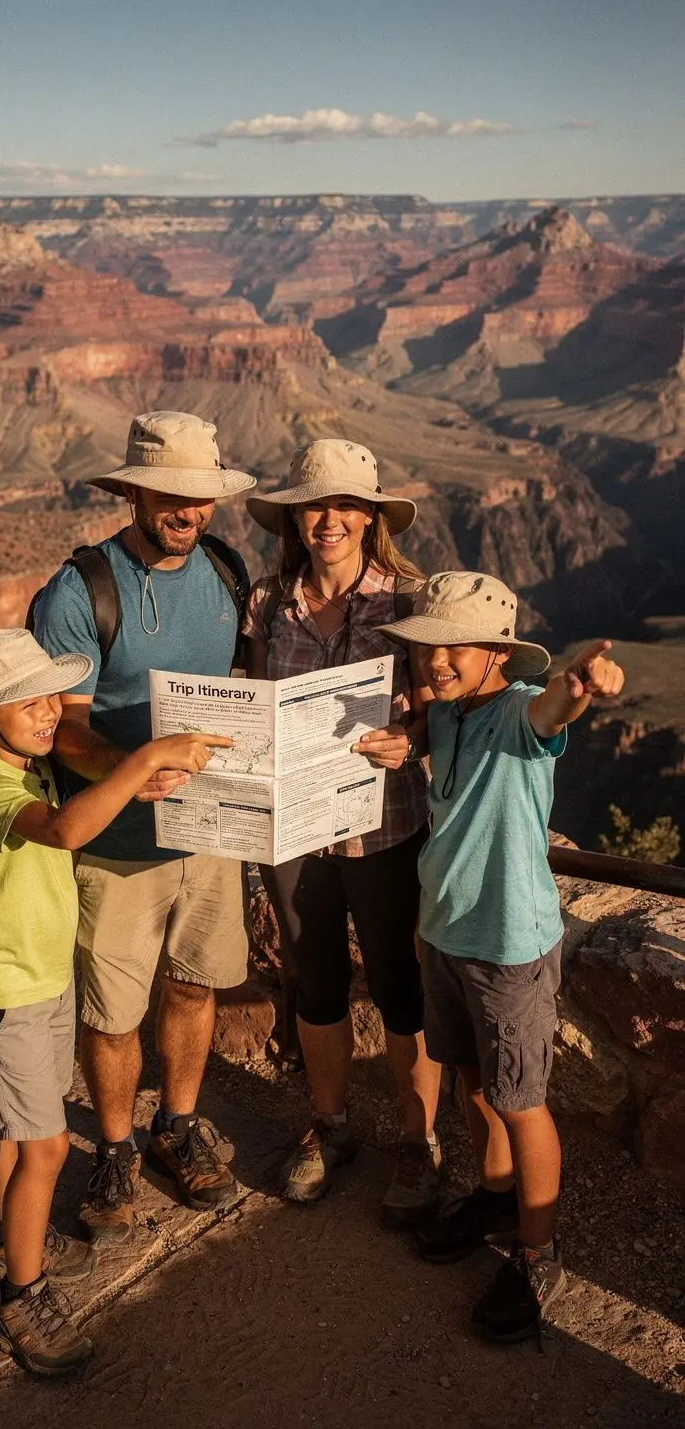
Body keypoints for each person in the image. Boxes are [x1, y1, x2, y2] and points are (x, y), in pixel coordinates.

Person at [0, 627, 230, 1375]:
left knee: (12, 1134)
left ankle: (10, 1239)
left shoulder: (29, 768)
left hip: (36, 980)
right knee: (47, 1147)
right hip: (4, 991)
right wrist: (145, 758)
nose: (47, 714)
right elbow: (66, 830)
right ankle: (22, 1294)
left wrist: (135, 780)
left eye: (49, 698)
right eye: (25, 703)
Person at [379, 571, 625, 1342]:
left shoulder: (520, 712)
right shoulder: (446, 713)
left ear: (498, 653)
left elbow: (555, 709)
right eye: (428, 647)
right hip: (445, 933)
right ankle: (493, 1196)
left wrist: (581, 687)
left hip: (508, 947)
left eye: (457, 647)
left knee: (521, 1102)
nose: (437, 660)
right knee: (473, 1082)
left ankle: (538, 1252)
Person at [32, 410, 257, 1239]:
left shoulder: (226, 571)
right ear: (132, 493)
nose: (186, 510)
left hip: (212, 829)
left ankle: (178, 1125)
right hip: (119, 847)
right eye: (168, 494)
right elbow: (62, 730)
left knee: (195, 984)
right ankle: (116, 1147)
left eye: (199, 495)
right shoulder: (80, 591)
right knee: (113, 1012)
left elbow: (240, 684)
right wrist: (133, 770)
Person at [243, 439, 443, 1222]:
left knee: (400, 984)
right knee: (316, 978)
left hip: (385, 827)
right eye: (314, 507)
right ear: (295, 518)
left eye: (345, 506)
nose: (329, 521)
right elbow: (249, 699)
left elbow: (440, 712)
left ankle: (419, 1142)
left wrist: (410, 741)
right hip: (296, 830)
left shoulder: (411, 604)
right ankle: (330, 1126)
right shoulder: (266, 604)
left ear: (369, 517)